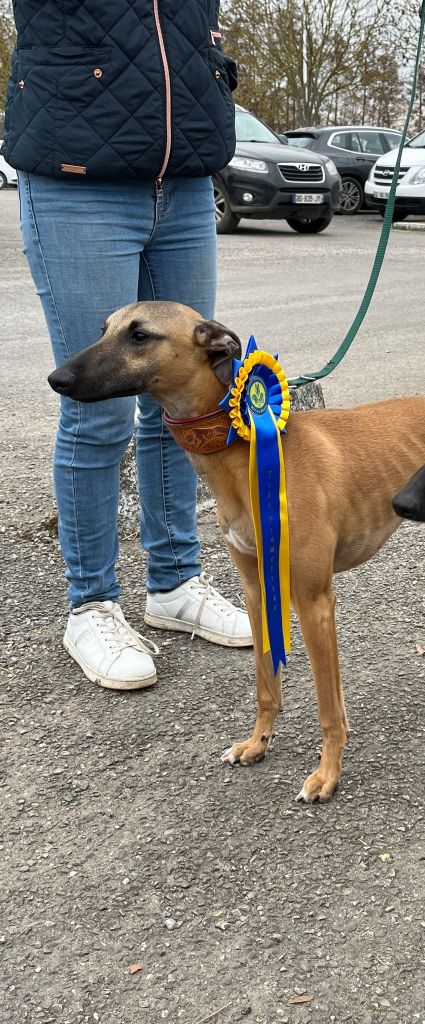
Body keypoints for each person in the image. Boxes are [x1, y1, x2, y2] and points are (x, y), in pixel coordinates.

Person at [3, 1, 251, 690]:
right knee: (96, 409)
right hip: (77, 176)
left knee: (188, 399)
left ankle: (174, 583)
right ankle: (91, 604)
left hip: (188, 175)